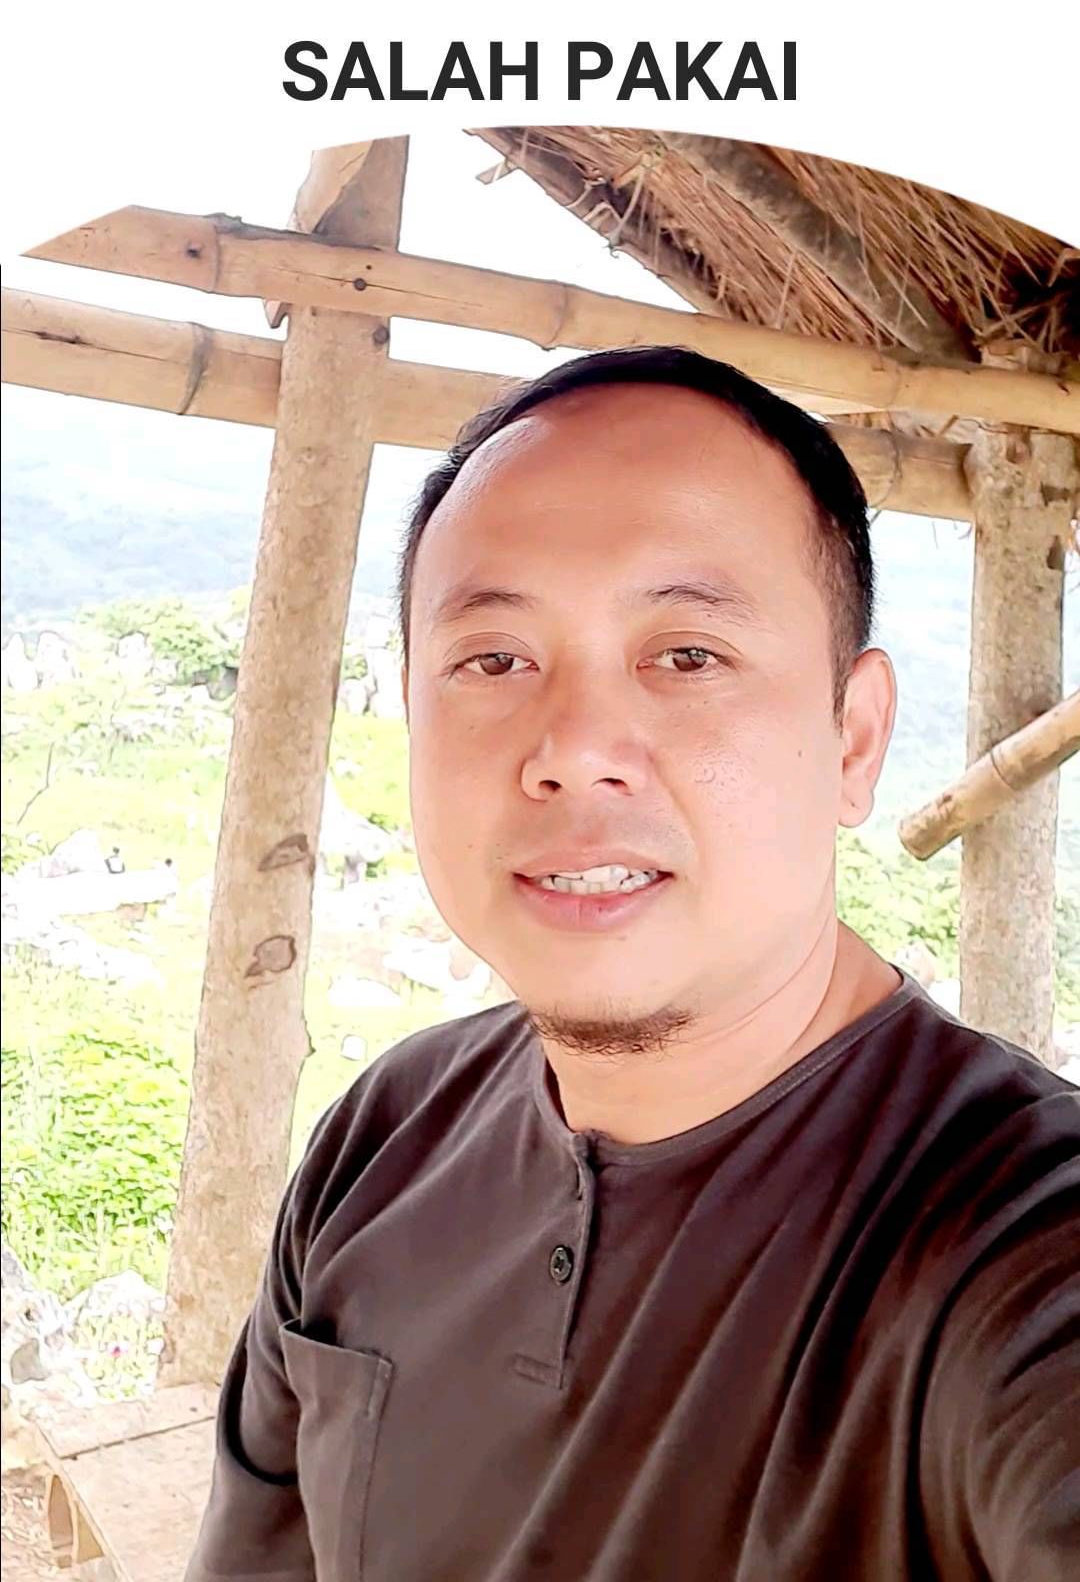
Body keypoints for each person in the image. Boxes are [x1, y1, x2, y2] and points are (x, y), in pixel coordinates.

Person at [187, 347, 1079, 1582]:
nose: (575, 749)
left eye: (687, 654)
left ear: (854, 740)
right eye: (495, 660)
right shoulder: (382, 1140)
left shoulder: (1018, 1239)